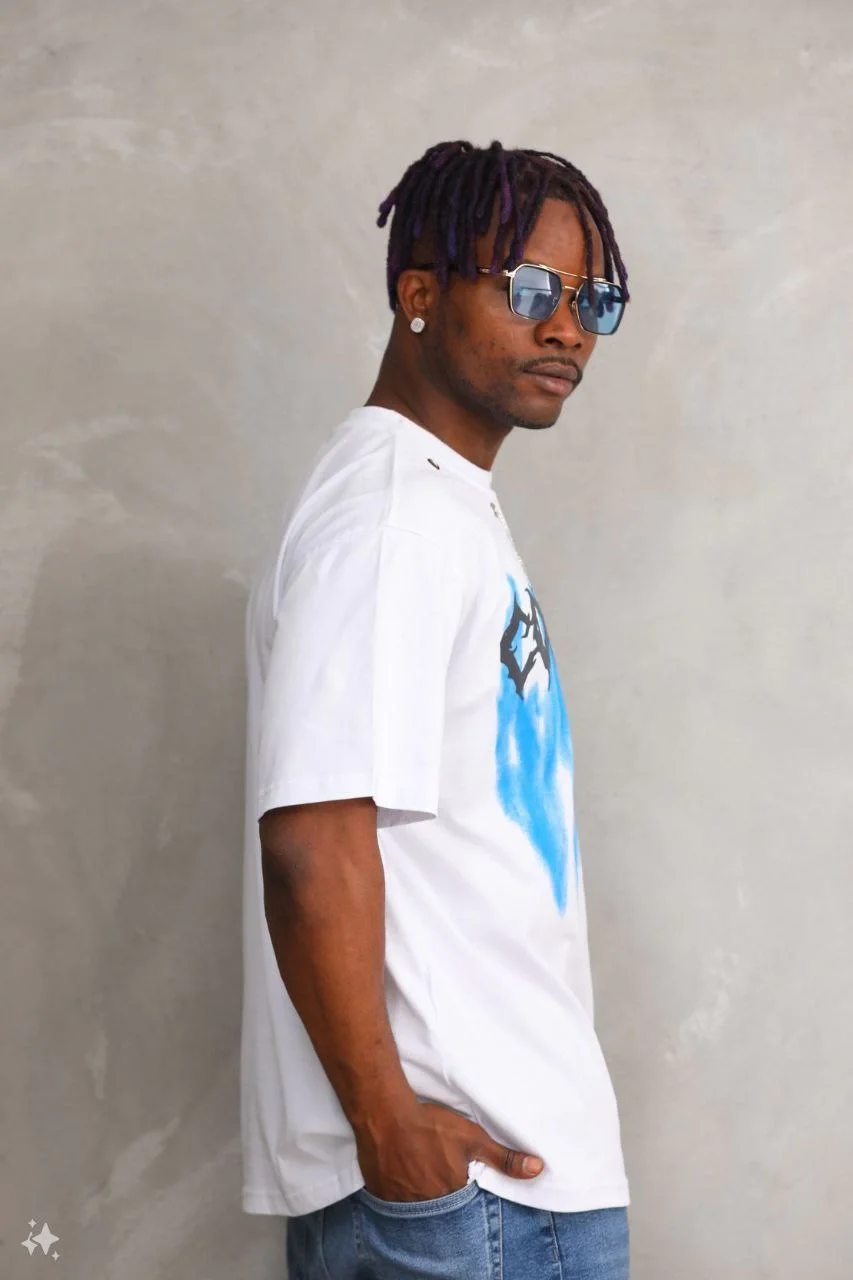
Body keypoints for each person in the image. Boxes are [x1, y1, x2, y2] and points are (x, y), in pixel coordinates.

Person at [241, 138, 633, 1279]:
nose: (567, 328)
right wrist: (391, 1131)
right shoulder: (390, 521)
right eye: (530, 288)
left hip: (496, 1179)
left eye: (591, 300)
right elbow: (312, 841)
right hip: (468, 1197)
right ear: (418, 293)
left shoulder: (439, 503)